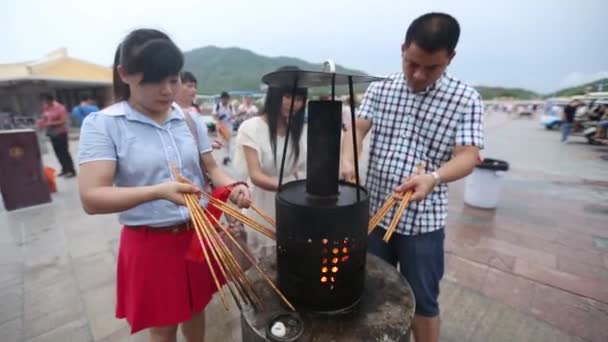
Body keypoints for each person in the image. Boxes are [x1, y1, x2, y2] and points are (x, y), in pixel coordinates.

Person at [77, 28, 251, 342]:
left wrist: (236, 186)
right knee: (164, 324)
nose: (167, 90)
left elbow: (210, 168)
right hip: (151, 245)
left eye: (173, 80)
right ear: (125, 74)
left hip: (197, 234)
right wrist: (158, 191)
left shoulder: (188, 119)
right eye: (156, 80)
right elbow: (91, 197)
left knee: (198, 307)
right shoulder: (104, 124)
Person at [340, 13, 483, 342]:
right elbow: (356, 129)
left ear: (451, 57)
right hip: (376, 214)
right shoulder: (381, 89)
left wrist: (433, 177)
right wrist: (348, 159)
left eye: (431, 68)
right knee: (373, 291)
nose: (418, 75)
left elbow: (467, 156)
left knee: (423, 303)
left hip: (423, 223)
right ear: (403, 49)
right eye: (411, 64)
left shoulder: (465, 99)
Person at [234, 66, 308, 258]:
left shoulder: (299, 130)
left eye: (299, 99)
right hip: (262, 203)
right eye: (288, 97)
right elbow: (256, 175)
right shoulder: (251, 128)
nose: (294, 104)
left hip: (293, 203)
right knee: (263, 263)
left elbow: (302, 169)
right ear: (275, 95)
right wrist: (291, 187)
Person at [37, 93, 76, 177]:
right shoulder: (46, 107)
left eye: (45, 101)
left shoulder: (60, 108)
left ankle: (71, 170)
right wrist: (41, 122)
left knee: (64, 152)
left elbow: (63, 121)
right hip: (52, 133)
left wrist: (50, 123)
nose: (44, 103)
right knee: (57, 152)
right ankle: (64, 169)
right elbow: (45, 118)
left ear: (50, 100)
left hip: (60, 132)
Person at [213, 91, 235, 165]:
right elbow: (214, 116)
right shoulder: (217, 106)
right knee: (222, 142)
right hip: (221, 127)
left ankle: (227, 156)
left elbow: (233, 116)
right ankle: (224, 157)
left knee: (228, 143)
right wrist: (219, 117)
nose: (225, 100)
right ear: (221, 99)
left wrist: (231, 118)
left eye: (226, 99)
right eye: (223, 99)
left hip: (229, 126)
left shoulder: (231, 106)